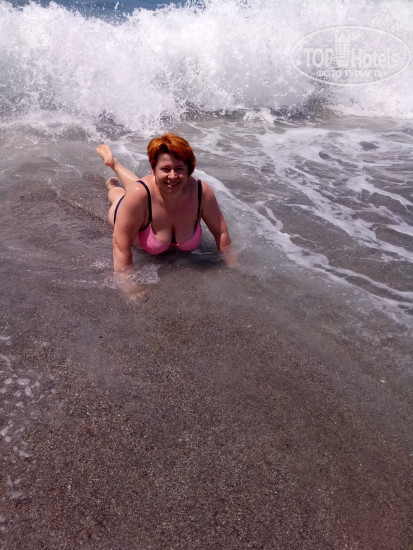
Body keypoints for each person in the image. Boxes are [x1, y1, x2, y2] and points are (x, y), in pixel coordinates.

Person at [96, 133, 235, 296]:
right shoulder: (137, 196)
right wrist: (130, 287)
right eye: (165, 169)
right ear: (153, 169)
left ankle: (115, 164)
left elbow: (221, 233)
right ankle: (113, 178)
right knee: (120, 195)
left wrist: (233, 268)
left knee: (143, 187)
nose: (173, 175)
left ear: (189, 170)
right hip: (129, 206)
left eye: (179, 169)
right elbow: (121, 247)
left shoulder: (201, 192)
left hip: (148, 193)